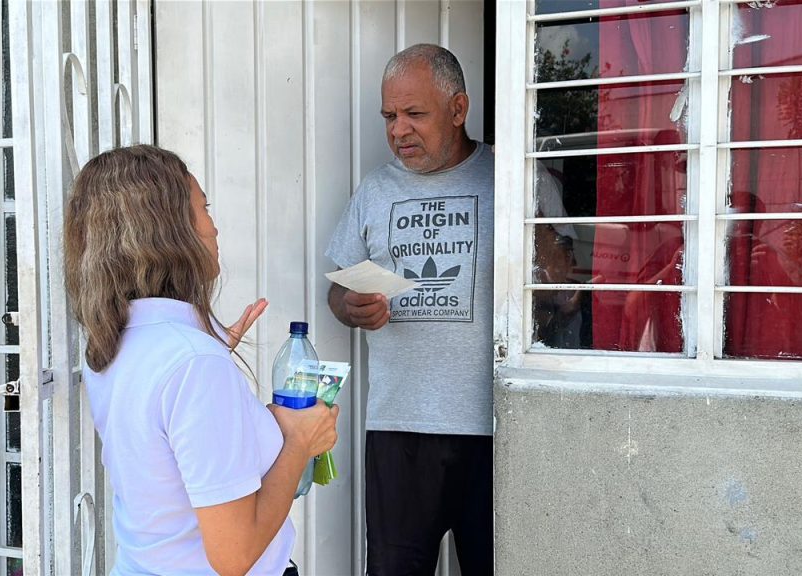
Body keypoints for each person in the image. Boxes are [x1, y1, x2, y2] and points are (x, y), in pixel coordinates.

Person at [63, 145, 339, 576]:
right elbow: (234, 555)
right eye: (204, 209)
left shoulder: (115, 342)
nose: (214, 228)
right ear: (171, 231)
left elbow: (161, 451)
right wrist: (300, 442)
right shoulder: (192, 363)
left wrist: (209, 357)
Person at [326, 44, 494, 575]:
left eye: (414, 114)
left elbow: (558, 291)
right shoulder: (376, 190)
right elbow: (337, 288)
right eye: (389, 117)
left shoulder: (505, 179)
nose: (398, 130)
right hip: (399, 428)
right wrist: (350, 306)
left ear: (459, 108)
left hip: (494, 425)